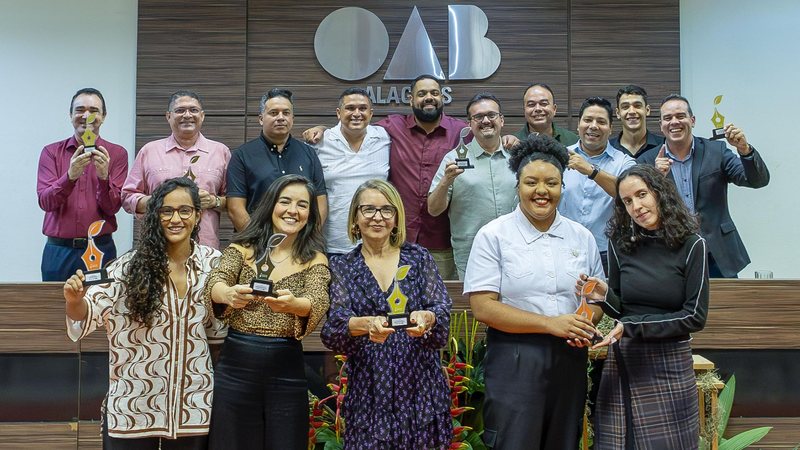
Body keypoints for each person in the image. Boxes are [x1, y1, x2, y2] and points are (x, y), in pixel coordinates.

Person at [464, 134, 604, 450]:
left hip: (570, 359)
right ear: (517, 186)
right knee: (515, 442)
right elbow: (483, 307)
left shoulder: (581, 237)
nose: (541, 191)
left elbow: (596, 297)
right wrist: (550, 323)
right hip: (515, 358)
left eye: (551, 183)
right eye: (531, 182)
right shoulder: (494, 235)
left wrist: (585, 318)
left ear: (562, 187)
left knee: (564, 441)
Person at [63, 177, 224, 449]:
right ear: (154, 215)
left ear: (198, 216)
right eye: (166, 211)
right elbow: (87, 316)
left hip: (193, 409)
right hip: (133, 410)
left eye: (185, 210)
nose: (176, 219)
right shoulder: (127, 267)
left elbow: (218, 333)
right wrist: (74, 300)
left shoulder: (214, 264)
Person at [577, 164, 709, 449]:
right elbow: (623, 309)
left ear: (659, 194)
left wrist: (632, 326)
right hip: (625, 357)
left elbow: (695, 317)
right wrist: (604, 296)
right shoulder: (618, 243)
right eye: (627, 201)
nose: (636, 206)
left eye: (641, 195)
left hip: (670, 362)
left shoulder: (692, 244)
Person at [321, 179, 452, 449]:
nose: (377, 217)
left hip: (419, 386)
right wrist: (367, 324)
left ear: (396, 218)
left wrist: (428, 319)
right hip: (369, 388)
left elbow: (441, 311)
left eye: (386, 210)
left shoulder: (418, 258)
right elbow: (335, 327)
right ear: (355, 218)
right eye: (368, 209)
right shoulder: (343, 266)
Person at [205, 174, 330, 450]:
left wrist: (293, 305)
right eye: (285, 201)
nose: (292, 211)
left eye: (302, 205)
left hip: (286, 369)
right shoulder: (242, 248)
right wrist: (228, 294)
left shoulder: (315, 258)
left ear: (309, 214)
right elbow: (215, 282)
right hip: (236, 366)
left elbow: (318, 299)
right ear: (271, 204)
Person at [639, 94, 770, 277]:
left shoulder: (716, 151)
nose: (674, 122)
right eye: (668, 118)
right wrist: (655, 178)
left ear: (692, 120)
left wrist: (744, 150)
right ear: (661, 126)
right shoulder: (647, 161)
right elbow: (637, 208)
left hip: (717, 253)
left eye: (680, 116)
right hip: (671, 255)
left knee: (725, 305)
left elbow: (757, 181)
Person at [38, 87, 128, 281]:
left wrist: (104, 178)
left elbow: (113, 208)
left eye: (94, 110)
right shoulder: (51, 152)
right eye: (80, 110)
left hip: (99, 249)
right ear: (71, 115)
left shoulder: (117, 154)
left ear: (103, 116)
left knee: (100, 308)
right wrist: (70, 176)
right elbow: (46, 202)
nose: (86, 115)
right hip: (58, 251)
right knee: (55, 307)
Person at [122, 90, 231, 249]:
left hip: (205, 249)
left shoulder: (221, 152)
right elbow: (126, 198)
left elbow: (235, 200)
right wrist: (159, 201)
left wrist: (215, 201)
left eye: (193, 110)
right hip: (157, 247)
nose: (187, 115)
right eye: (180, 110)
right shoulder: (149, 151)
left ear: (202, 116)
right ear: (168, 116)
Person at [428, 92, 517, 279]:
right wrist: (446, 181)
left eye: (491, 115)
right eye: (478, 117)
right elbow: (433, 210)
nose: (485, 120)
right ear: (469, 124)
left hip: (517, 252)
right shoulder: (453, 159)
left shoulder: (518, 157)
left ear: (501, 120)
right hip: (472, 257)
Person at [226, 88, 327, 232]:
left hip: (301, 246)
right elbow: (235, 208)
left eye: (286, 113)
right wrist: (259, 243)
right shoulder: (242, 155)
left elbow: (320, 203)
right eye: (274, 113)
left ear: (292, 118)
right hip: (256, 246)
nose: (281, 117)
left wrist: (307, 240)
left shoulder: (308, 154)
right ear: (261, 119)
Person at [560, 97, 636, 272]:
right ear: (578, 124)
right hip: (563, 248)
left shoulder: (624, 162)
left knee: (603, 299)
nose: (593, 126)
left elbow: (628, 193)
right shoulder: (559, 156)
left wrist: (591, 170)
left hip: (607, 254)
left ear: (610, 129)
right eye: (588, 120)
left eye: (601, 122)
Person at [312, 87, 390, 256]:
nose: (357, 113)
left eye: (362, 108)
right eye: (350, 108)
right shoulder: (320, 142)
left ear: (371, 113)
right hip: (333, 245)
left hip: (377, 244)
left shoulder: (384, 137)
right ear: (339, 113)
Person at [608, 85, 664, 159]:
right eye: (625, 107)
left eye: (637, 106)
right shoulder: (608, 149)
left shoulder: (664, 146)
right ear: (618, 113)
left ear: (647, 110)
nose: (632, 111)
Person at [513, 83, 579, 145]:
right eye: (531, 104)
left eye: (544, 103)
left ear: (554, 109)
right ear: (524, 110)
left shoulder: (572, 140)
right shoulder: (514, 143)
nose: (538, 109)